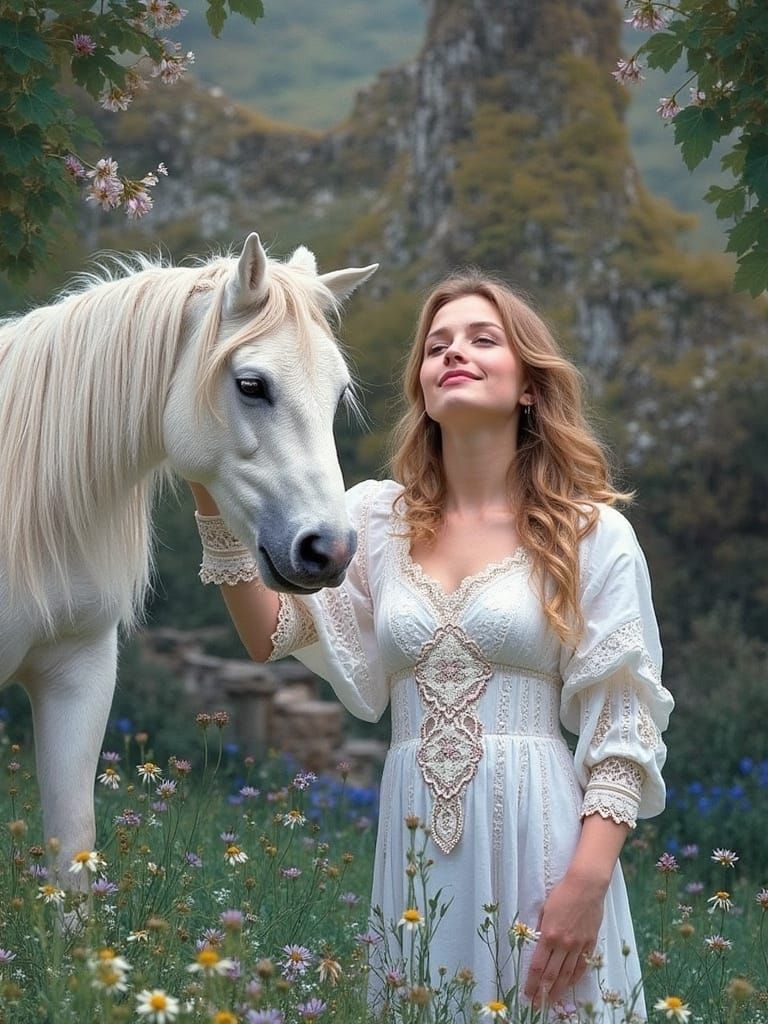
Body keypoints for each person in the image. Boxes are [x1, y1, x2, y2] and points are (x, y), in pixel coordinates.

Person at [191, 272, 674, 1020]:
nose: (455, 353)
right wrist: (207, 486)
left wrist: (585, 886)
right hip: (417, 847)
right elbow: (273, 630)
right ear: (420, 383)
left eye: (484, 340)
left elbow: (623, 727)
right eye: (437, 345)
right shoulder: (375, 520)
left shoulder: (591, 533)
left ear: (528, 387)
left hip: (544, 843)